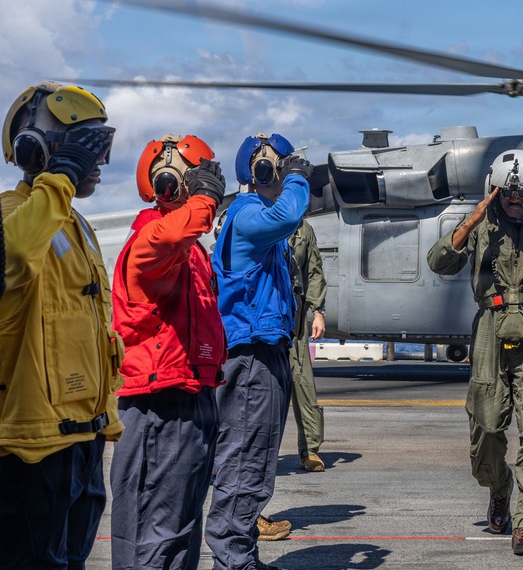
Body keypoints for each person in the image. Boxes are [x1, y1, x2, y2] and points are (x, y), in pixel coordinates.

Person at [426, 149, 523, 556]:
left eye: (522, 196)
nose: (514, 201)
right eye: (506, 195)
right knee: (488, 427)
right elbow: (439, 263)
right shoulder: (481, 222)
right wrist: (471, 221)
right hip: (490, 328)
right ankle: (499, 488)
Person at [0, 82, 123, 568]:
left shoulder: (77, 225)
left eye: (101, 147)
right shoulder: (12, 214)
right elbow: (11, 257)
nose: (99, 162)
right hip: (30, 453)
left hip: (82, 443)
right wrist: (62, 174)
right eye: (87, 148)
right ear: (38, 148)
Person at [109, 134, 228, 569]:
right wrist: (204, 199)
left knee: (178, 535)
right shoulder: (150, 241)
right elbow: (167, 237)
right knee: (152, 539)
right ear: (167, 184)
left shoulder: (192, 253)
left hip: (192, 400)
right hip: (158, 409)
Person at [204, 133, 313, 570]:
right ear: (264, 170)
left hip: (264, 354)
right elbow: (288, 215)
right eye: (280, 167)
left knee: (255, 462)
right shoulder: (249, 213)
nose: (286, 175)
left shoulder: (256, 217)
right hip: (249, 358)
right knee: (245, 462)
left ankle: (238, 557)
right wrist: (300, 179)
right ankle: (233, 561)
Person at [288, 218, 328, 472]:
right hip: (259, 312)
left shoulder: (303, 228)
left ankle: (310, 449)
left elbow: (313, 270)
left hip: (294, 315)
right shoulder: (254, 215)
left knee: (302, 381)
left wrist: (318, 311)